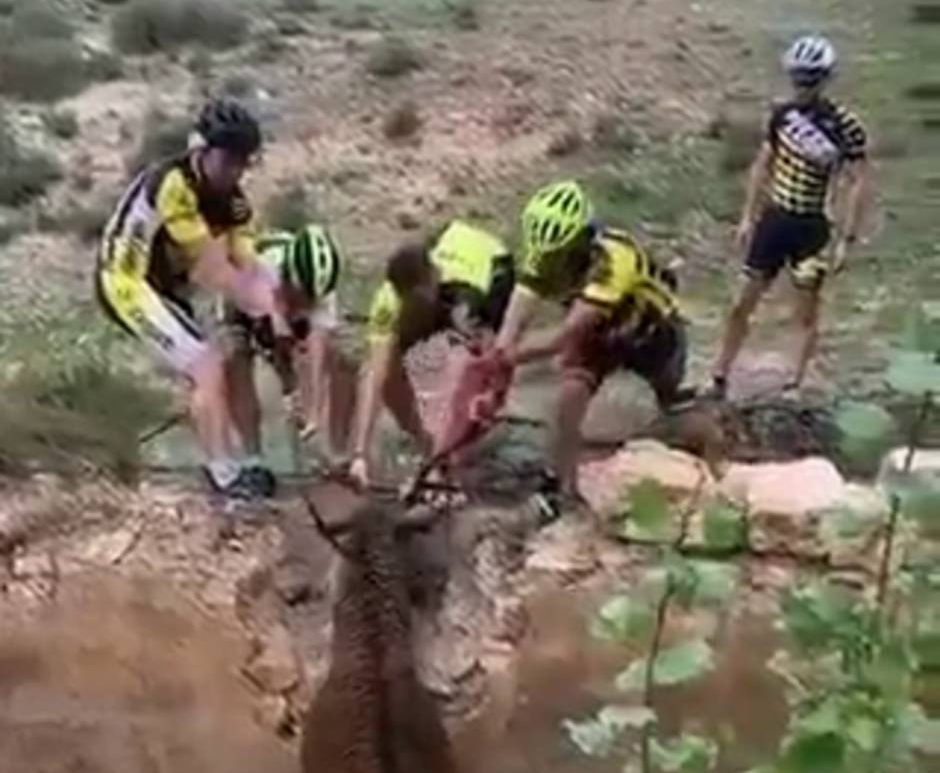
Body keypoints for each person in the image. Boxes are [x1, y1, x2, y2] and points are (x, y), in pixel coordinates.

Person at [95, 97, 289, 500]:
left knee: (211, 363)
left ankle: (230, 461)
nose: (234, 171)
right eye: (227, 160)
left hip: (164, 287)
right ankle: (223, 477)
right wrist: (264, 311)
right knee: (206, 364)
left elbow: (246, 262)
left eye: (243, 161)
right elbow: (212, 269)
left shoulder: (234, 202)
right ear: (201, 149)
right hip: (125, 281)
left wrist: (275, 313)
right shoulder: (172, 184)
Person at [492, 179, 694, 508]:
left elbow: (564, 335)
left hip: (651, 332)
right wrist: (501, 348)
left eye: (561, 256)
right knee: (569, 397)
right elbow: (522, 302)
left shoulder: (613, 261)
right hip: (598, 334)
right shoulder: (545, 251)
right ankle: (556, 483)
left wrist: (510, 357)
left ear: (582, 241)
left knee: (669, 411)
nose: (553, 264)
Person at [709, 34, 871, 399]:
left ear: (824, 78)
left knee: (805, 310)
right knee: (742, 300)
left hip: (812, 228)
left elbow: (859, 182)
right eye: (799, 78)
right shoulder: (782, 115)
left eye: (810, 79)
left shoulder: (845, 125)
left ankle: (793, 384)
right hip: (774, 220)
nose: (803, 86)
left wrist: (848, 238)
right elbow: (762, 165)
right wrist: (748, 217)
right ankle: (719, 374)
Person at [347, 218, 515, 491]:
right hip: (447, 255)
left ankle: (451, 458)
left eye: (417, 300)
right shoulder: (388, 300)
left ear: (432, 279)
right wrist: (359, 455)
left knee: (473, 374)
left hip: (490, 264)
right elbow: (375, 375)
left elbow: (487, 363)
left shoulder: (464, 297)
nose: (411, 306)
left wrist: (490, 399)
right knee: (388, 370)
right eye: (408, 302)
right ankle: (430, 449)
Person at [221, 222, 357, 474]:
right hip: (243, 297)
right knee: (235, 356)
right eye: (303, 296)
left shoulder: (322, 293)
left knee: (338, 360)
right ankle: (252, 456)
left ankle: (331, 451)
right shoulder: (264, 270)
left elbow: (317, 349)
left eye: (312, 300)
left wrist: (313, 413)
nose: (308, 303)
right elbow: (276, 340)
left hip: (281, 306)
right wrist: (289, 388)